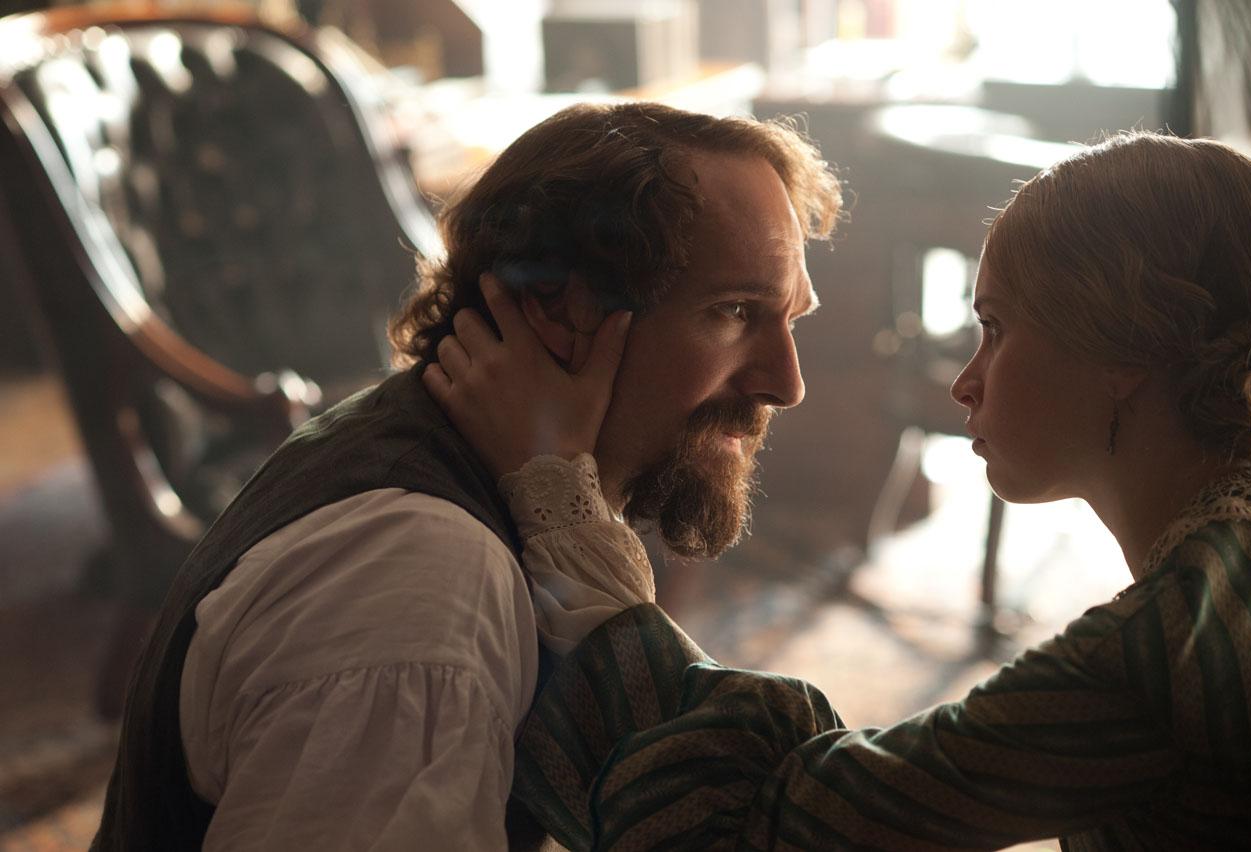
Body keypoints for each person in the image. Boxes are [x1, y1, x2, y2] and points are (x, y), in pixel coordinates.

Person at [426, 131, 1251, 849]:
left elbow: (777, 832)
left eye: (995, 328)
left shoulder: (1176, 643)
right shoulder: (1231, 579)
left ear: (1124, 347)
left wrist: (562, 505)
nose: (966, 382)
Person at [89, 101, 843, 851]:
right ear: (560, 311)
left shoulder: (438, 460)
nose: (788, 384)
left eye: (792, 318)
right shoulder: (422, 583)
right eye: (733, 312)